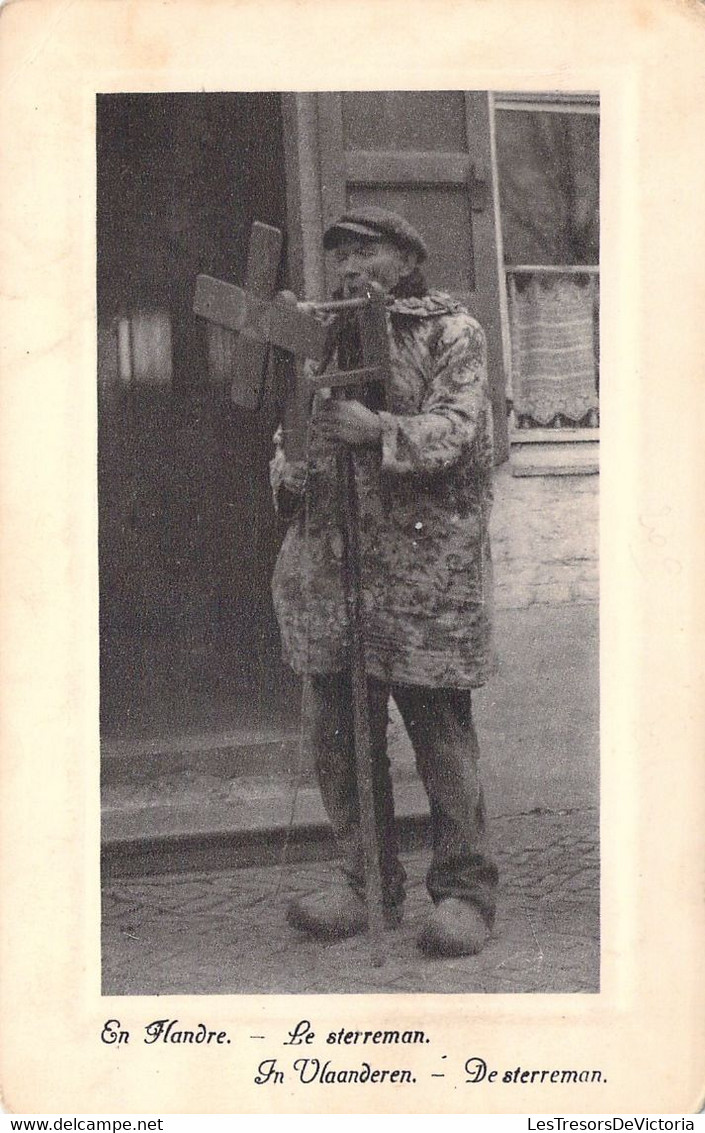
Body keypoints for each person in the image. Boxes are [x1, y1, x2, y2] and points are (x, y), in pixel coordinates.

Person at [269, 206, 498, 957]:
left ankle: (463, 891)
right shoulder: (327, 332)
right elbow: (292, 435)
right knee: (338, 732)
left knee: (437, 734)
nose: (350, 269)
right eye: (339, 258)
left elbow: (463, 433)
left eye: (365, 253)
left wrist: (379, 430)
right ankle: (367, 883)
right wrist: (295, 457)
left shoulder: (450, 332)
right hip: (337, 569)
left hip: (422, 573)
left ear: (405, 257)